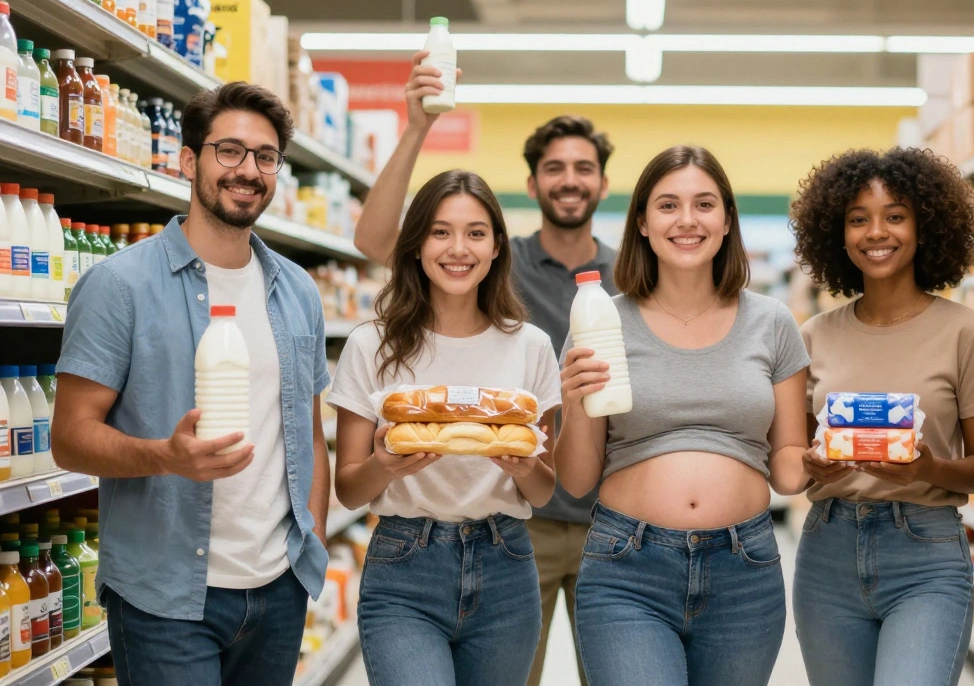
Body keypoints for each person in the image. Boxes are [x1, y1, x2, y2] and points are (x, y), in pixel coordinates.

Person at [50, 83, 331, 686]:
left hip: (278, 591)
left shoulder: (298, 291)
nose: (247, 170)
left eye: (265, 156)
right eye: (228, 151)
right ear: (186, 160)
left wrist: (310, 542)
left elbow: (308, 434)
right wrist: (166, 457)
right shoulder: (119, 286)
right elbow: (70, 438)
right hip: (166, 598)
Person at [353, 52, 615, 685]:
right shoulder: (498, 262)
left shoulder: (629, 275)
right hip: (516, 521)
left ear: (604, 183)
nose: (570, 180)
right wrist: (415, 125)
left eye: (584, 168)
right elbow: (378, 241)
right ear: (532, 185)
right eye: (554, 168)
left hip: (611, 520)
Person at [557, 145, 812, 686]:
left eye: (704, 204)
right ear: (643, 224)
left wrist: (833, 450)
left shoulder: (773, 322)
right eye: (668, 205)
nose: (687, 220)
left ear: (726, 222)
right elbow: (577, 480)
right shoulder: (601, 321)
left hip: (745, 570)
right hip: (627, 568)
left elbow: (789, 469)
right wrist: (576, 404)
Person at [330, 167, 560, 686]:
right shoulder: (373, 345)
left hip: (506, 563)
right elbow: (347, 489)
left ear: (497, 247)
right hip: (403, 564)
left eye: (476, 233)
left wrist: (524, 469)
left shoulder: (531, 347)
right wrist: (383, 465)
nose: (458, 249)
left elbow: (544, 491)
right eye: (440, 232)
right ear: (415, 244)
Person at [787, 148, 974, 686]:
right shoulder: (813, 335)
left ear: (924, 225)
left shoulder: (967, 332)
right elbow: (792, 456)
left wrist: (927, 469)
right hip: (827, 552)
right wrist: (814, 464)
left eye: (895, 216)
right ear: (836, 233)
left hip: (925, 553)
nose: (876, 232)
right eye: (858, 218)